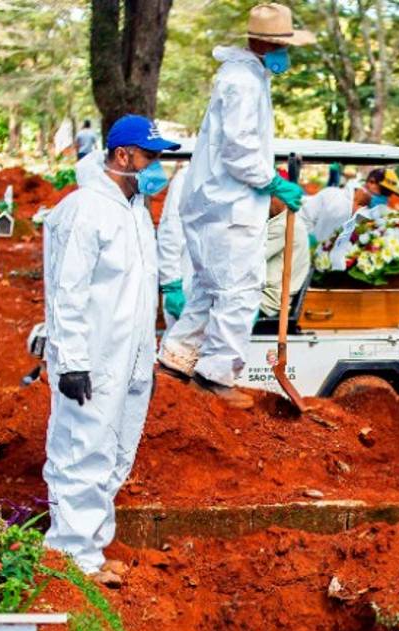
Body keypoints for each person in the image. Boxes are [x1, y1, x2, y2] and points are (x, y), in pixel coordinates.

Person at [41, 114, 179, 588]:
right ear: (123, 156)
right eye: (150, 157)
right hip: (93, 359)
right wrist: (73, 361)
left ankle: (90, 550)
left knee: (114, 453)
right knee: (82, 452)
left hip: (131, 357)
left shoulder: (134, 209)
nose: (157, 167)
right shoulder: (85, 210)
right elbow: (68, 290)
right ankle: (72, 559)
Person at [157, 3, 314, 410]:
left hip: (222, 206)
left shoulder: (246, 77)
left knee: (211, 289)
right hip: (229, 208)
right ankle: (215, 375)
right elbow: (239, 150)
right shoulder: (242, 82)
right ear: (265, 43)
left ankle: (175, 359)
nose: (286, 54)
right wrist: (274, 182)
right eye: (283, 46)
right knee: (238, 291)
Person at [299, 167, 399, 246]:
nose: (385, 198)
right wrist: (311, 242)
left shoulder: (379, 215)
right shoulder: (331, 195)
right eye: (384, 191)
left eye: (389, 194)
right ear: (371, 182)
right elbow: (303, 218)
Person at [260, 195, 312, 317]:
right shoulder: (286, 219)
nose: (266, 201)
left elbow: (247, 261)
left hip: (267, 301)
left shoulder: (284, 225)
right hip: (269, 295)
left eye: (271, 197)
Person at [157, 162, 192, 329]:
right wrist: (172, 285)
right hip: (189, 287)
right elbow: (171, 233)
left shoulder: (243, 181)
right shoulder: (188, 178)